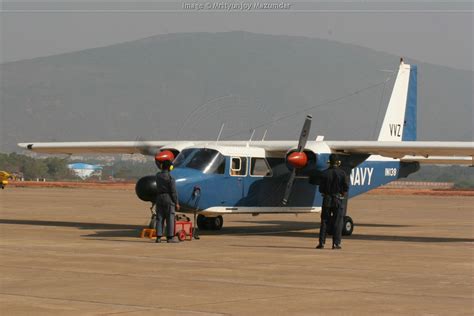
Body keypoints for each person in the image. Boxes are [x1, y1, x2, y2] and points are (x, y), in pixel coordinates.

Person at [316, 154, 349, 250]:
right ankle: (336, 243)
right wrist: (341, 193)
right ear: (338, 162)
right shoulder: (342, 173)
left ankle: (321, 243)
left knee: (324, 221)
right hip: (337, 200)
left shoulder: (324, 173)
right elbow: (346, 187)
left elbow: (321, 188)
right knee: (337, 222)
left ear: (329, 162)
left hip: (326, 199)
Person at [155, 157, 180, 243]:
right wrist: (176, 202)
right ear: (170, 168)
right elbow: (173, 192)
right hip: (168, 198)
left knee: (160, 218)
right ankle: (170, 237)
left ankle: (158, 237)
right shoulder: (170, 178)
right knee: (170, 218)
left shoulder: (158, 176)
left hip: (159, 197)